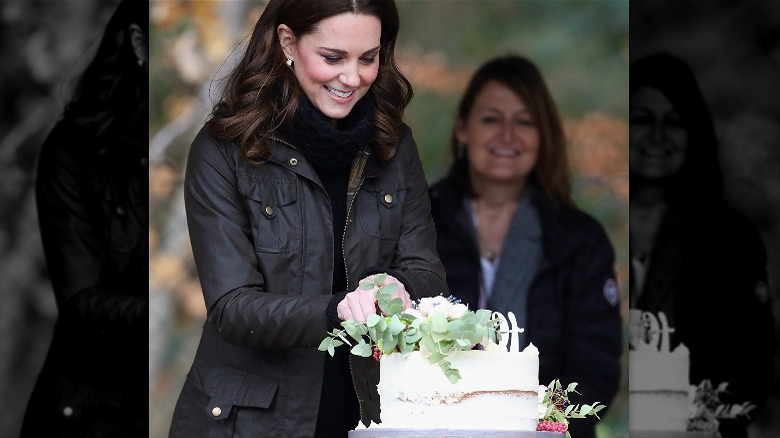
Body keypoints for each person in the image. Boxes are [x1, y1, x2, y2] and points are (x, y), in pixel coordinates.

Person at [167, 1, 447, 436]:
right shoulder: (223, 149)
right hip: (249, 422)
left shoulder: (393, 144)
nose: (352, 78)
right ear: (287, 43)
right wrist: (339, 310)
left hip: (371, 415)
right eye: (333, 58)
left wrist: (401, 287)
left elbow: (427, 272)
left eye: (368, 58)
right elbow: (233, 307)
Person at [427, 55, 622, 438]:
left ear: (543, 136)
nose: (507, 135)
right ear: (462, 129)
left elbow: (595, 369)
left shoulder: (580, 241)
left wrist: (536, 425)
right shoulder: (418, 222)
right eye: (491, 119)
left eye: (525, 122)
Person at [19, 0, 149, 436]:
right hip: (94, 412)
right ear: (138, 44)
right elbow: (80, 301)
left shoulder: (227, 148)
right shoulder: (76, 150)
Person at [628, 52, 774, 438]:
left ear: (694, 132)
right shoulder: (587, 230)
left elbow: (753, 364)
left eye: (674, 121)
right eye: (641, 119)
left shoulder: (729, 237)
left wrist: (701, 420)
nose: (657, 135)